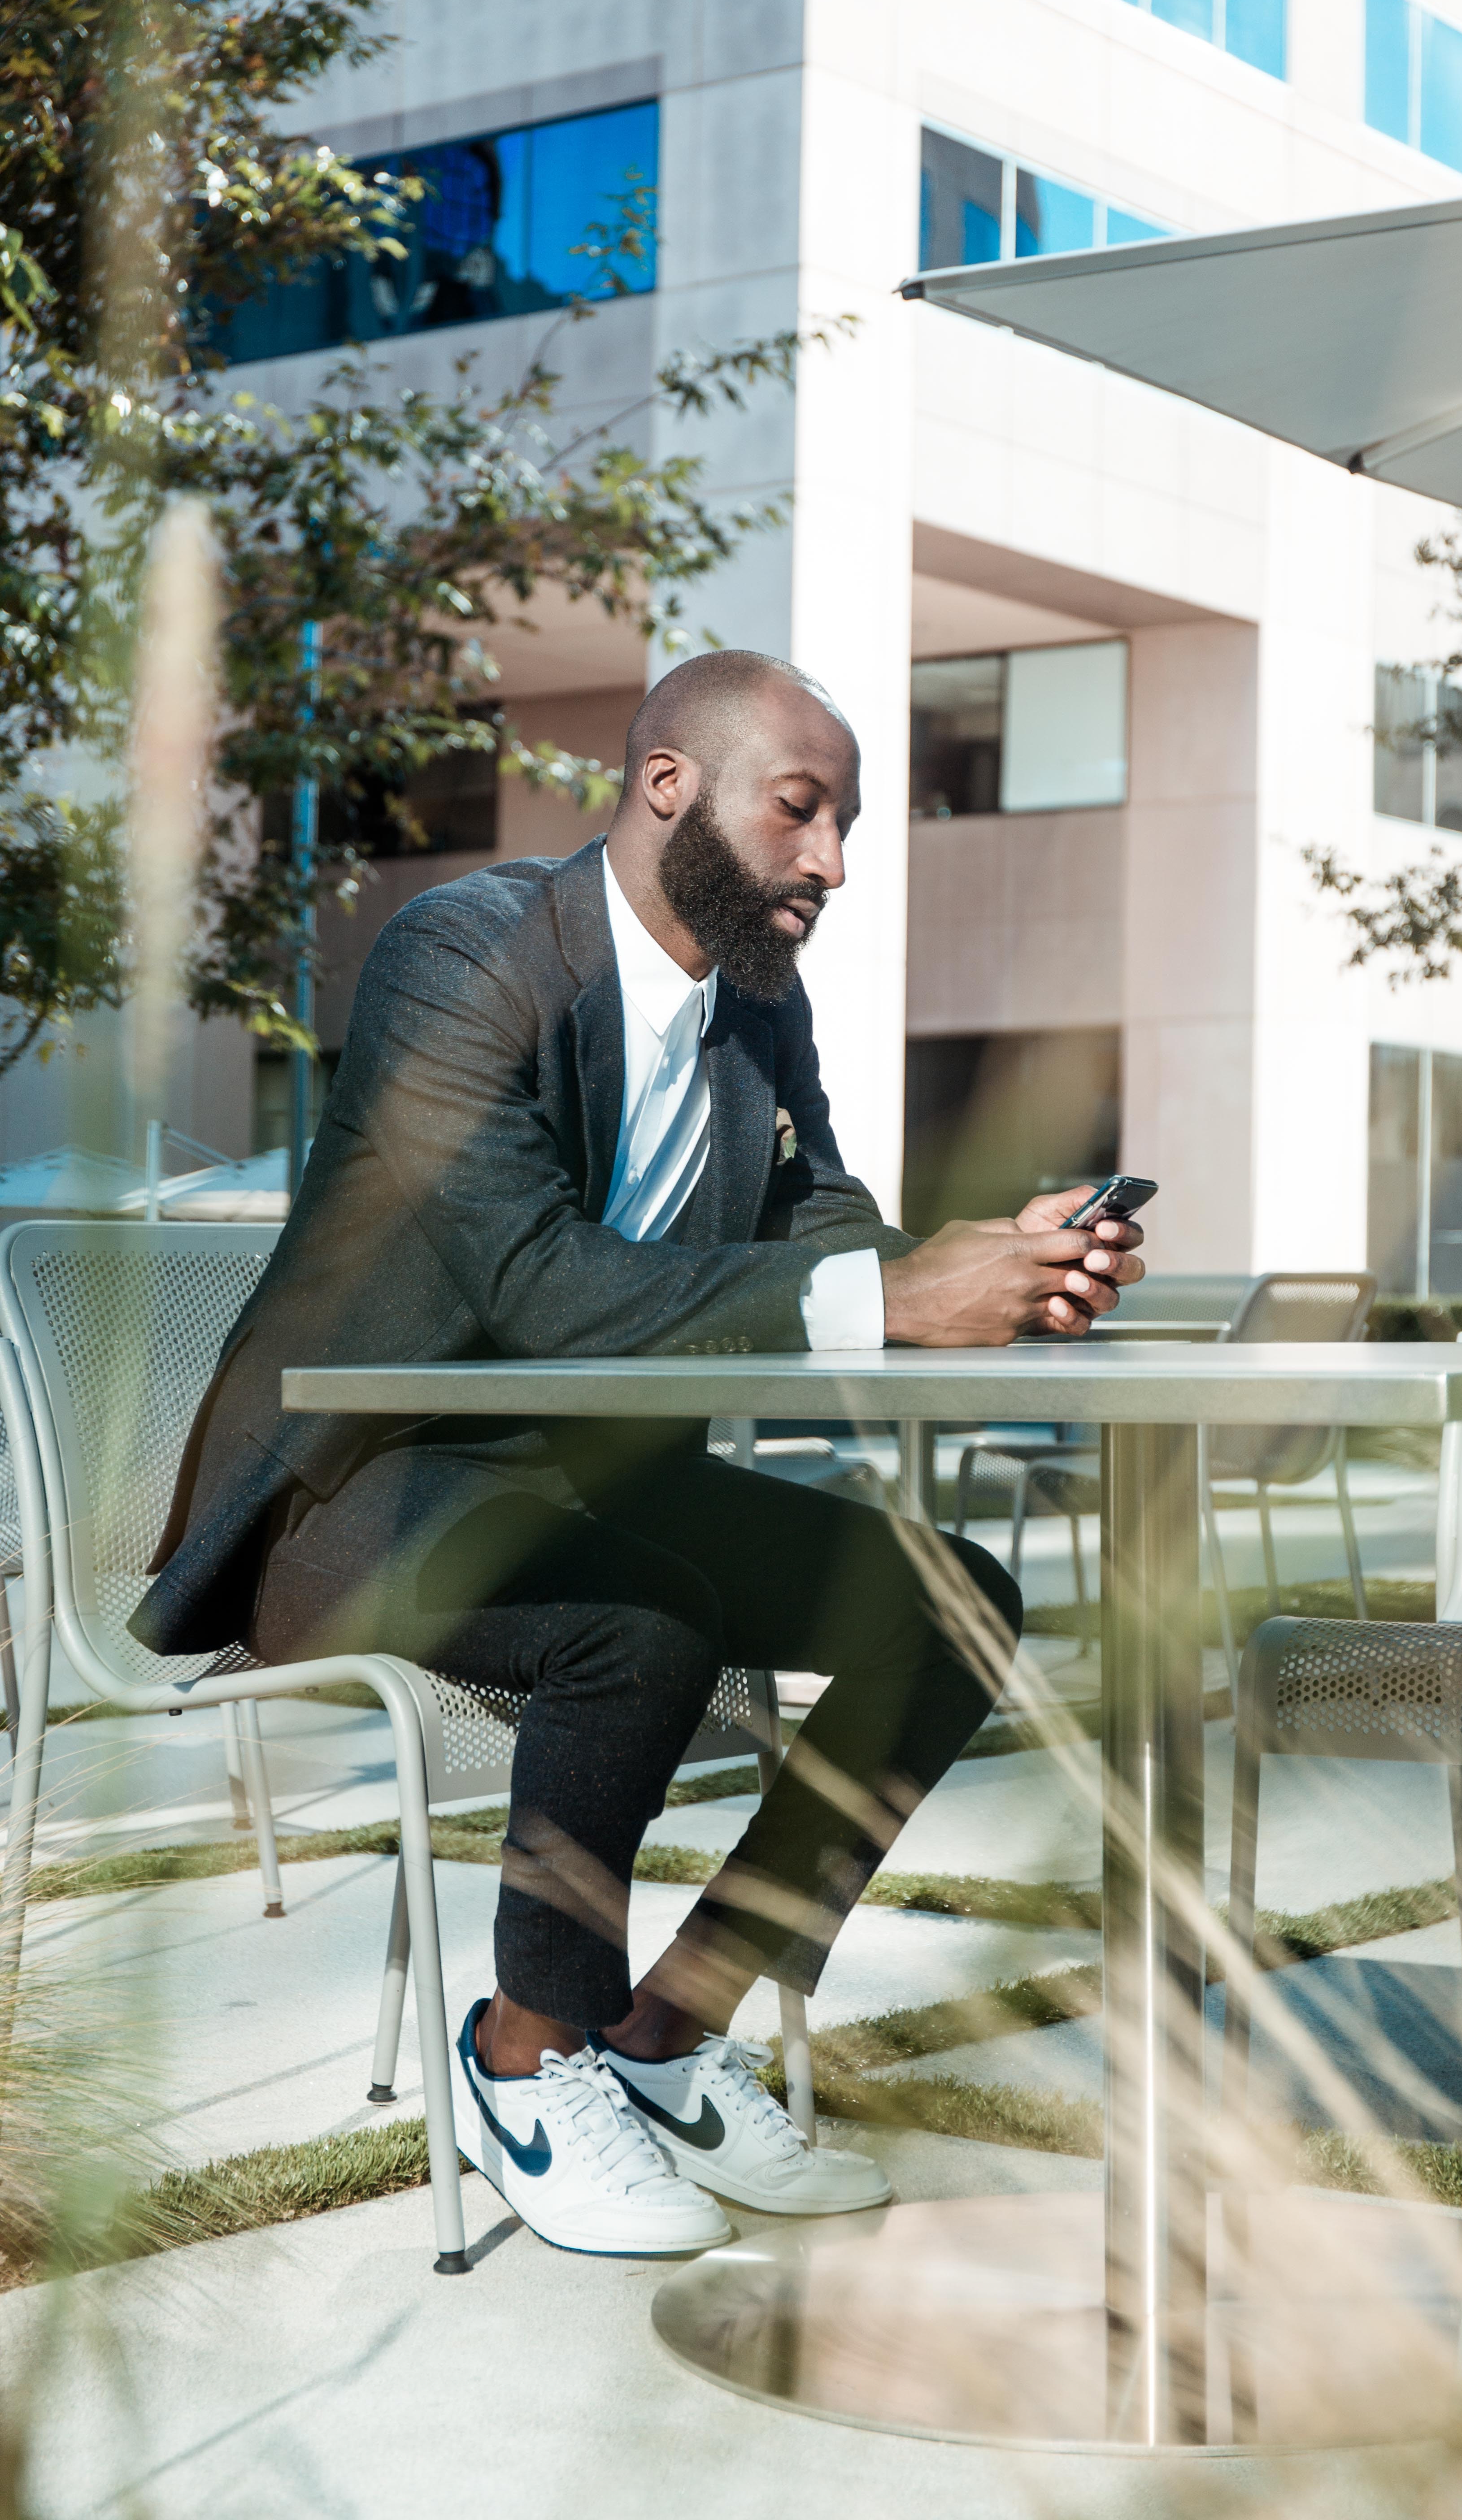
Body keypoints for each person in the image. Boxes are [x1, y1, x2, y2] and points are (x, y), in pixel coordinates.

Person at [133, 650, 1144, 2259]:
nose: (832, 862)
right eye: (802, 812)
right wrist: (889, 1295)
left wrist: (985, 1269)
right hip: (360, 1488)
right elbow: (531, 1286)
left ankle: (667, 2038)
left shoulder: (760, 998)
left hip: (590, 1481)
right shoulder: (461, 957)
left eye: (849, 825)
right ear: (669, 785)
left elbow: (816, 1230)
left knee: (954, 1601)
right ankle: (525, 2055)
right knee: (643, 1621)